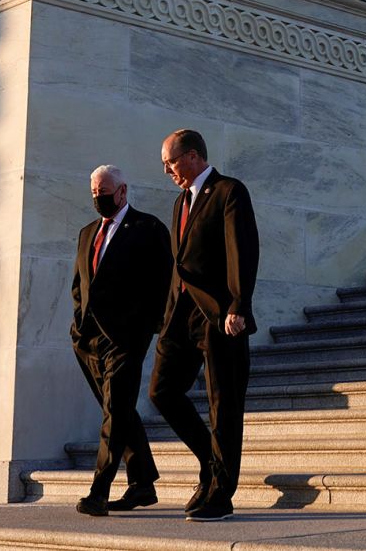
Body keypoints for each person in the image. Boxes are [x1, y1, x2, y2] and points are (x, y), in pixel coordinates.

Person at [148, 128, 259, 522]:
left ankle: (220, 494)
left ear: (193, 156)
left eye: (171, 162)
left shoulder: (229, 191)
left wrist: (238, 305)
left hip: (219, 315)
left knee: (223, 405)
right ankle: (210, 462)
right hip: (180, 317)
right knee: (162, 391)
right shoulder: (181, 202)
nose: (168, 171)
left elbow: (240, 251)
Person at [69, 164, 173, 516]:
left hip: (127, 338)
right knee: (118, 409)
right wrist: (78, 328)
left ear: (123, 191)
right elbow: (79, 286)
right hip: (88, 341)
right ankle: (142, 483)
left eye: (105, 193)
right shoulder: (87, 233)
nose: (99, 199)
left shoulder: (148, 228)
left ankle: (99, 491)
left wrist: (147, 327)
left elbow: (163, 284)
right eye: (95, 194)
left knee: (114, 412)